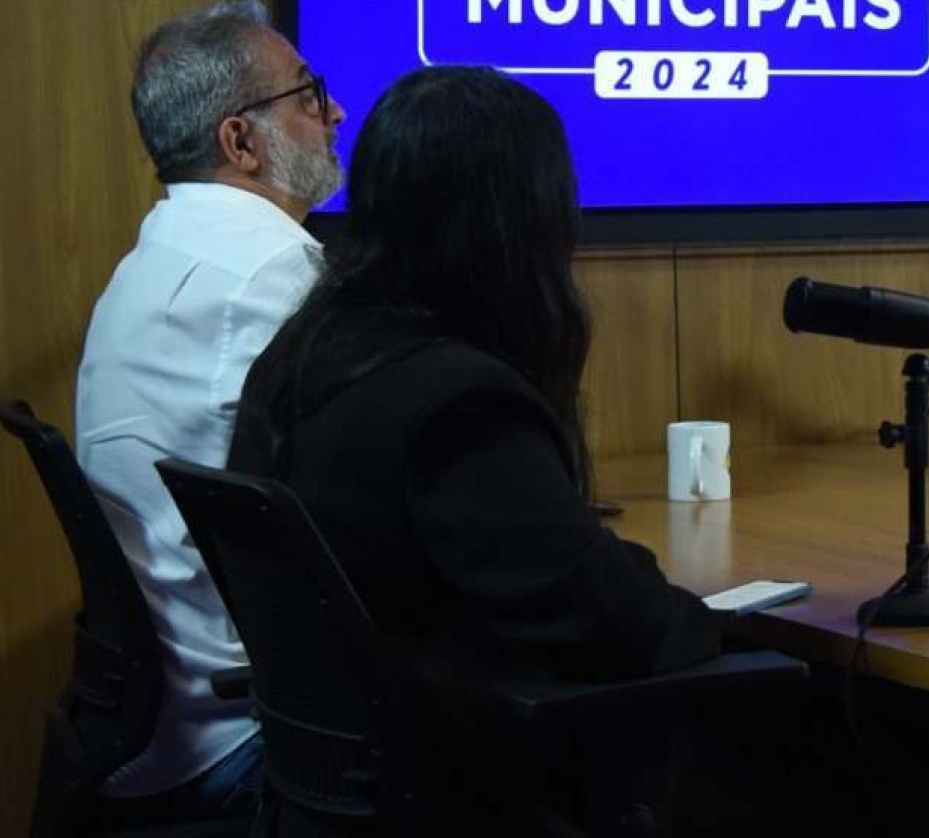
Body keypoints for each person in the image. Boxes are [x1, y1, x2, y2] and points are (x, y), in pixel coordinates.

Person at [228, 65, 722, 826]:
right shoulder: (455, 405)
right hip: (466, 795)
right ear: (520, 222)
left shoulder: (301, 359)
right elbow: (623, 626)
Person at [75, 0, 346, 821]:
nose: (335, 112)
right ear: (241, 141)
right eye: (307, 95)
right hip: (249, 742)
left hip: (162, 728)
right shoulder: (271, 270)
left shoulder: (157, 252)